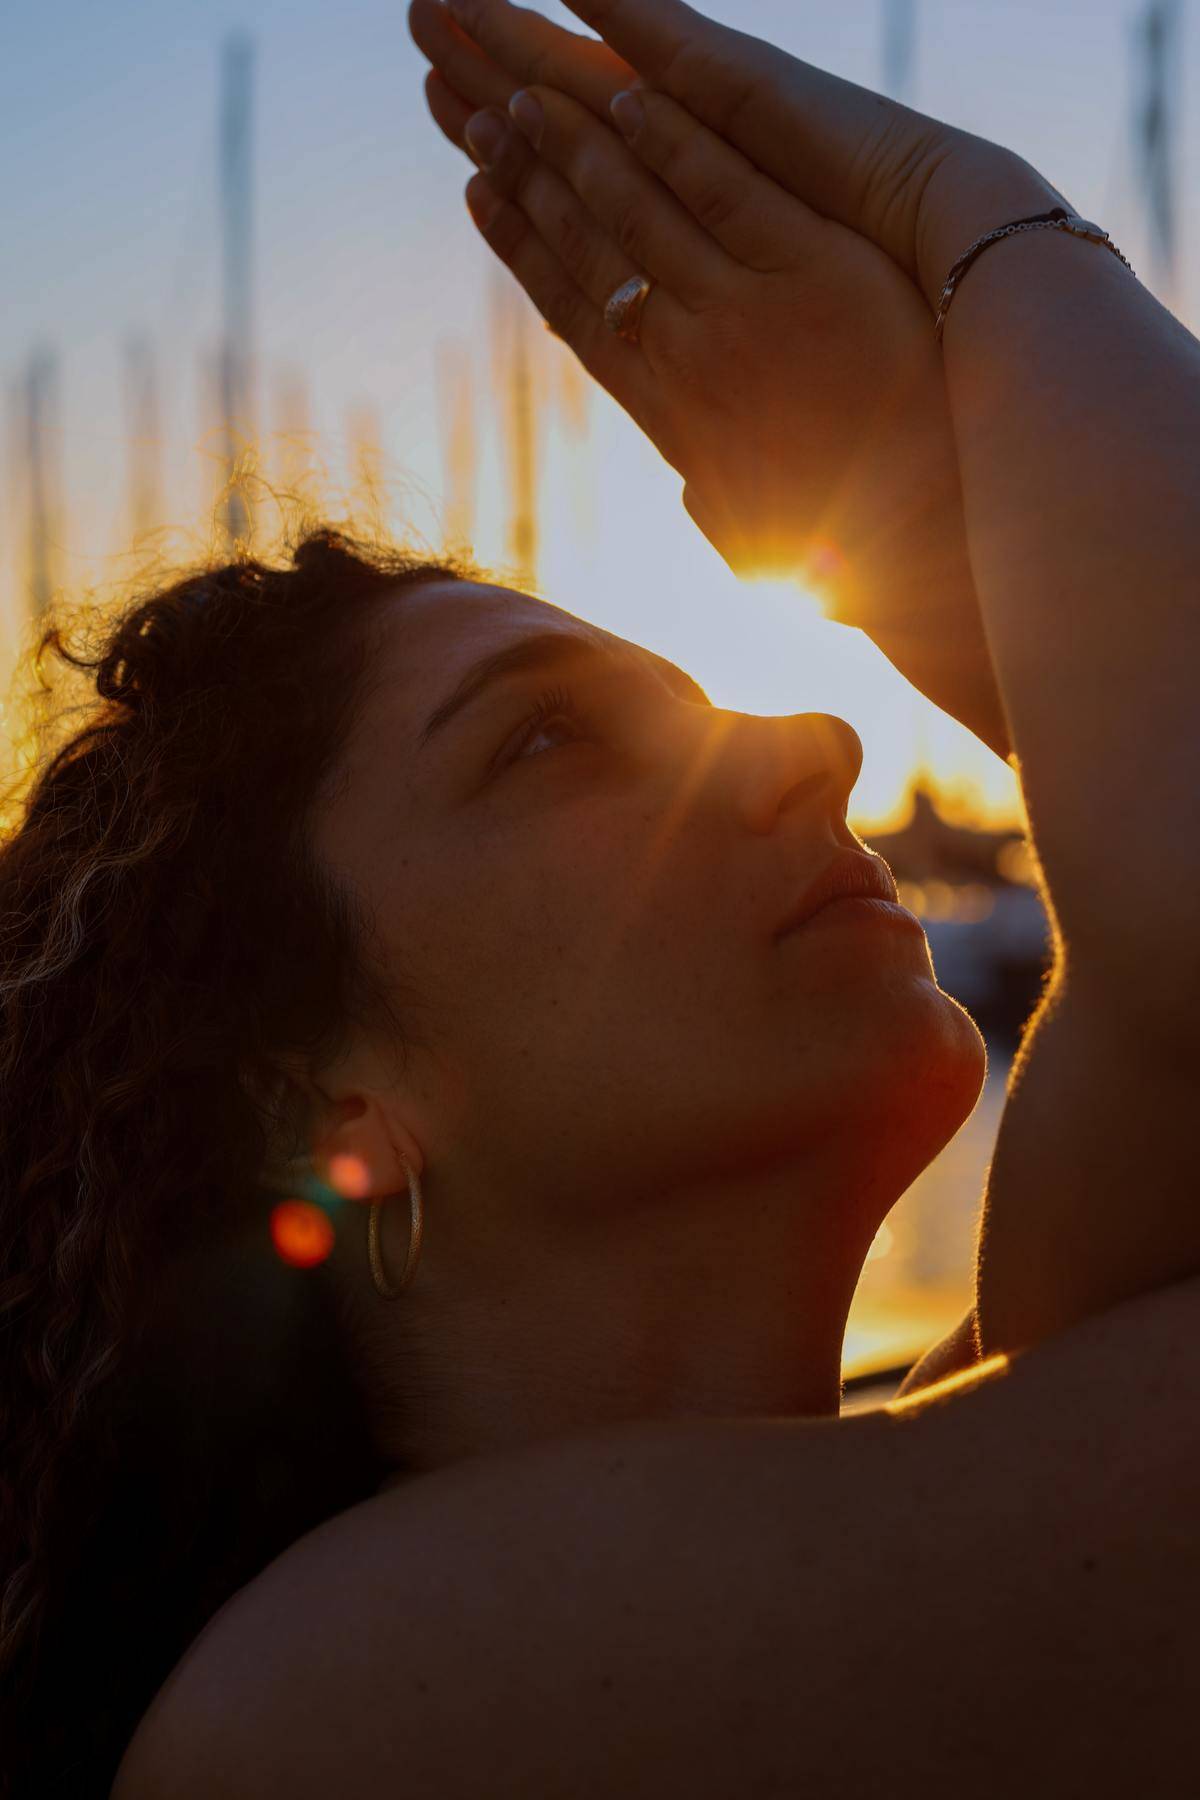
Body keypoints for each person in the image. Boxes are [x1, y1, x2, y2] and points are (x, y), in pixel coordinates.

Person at [0, 3, 1191, 1797]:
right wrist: (981, 229)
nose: (811, 743)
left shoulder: (979, 1428)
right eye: (549, 748)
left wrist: (950, 561)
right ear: (318, 1104)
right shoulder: (347, 1707)